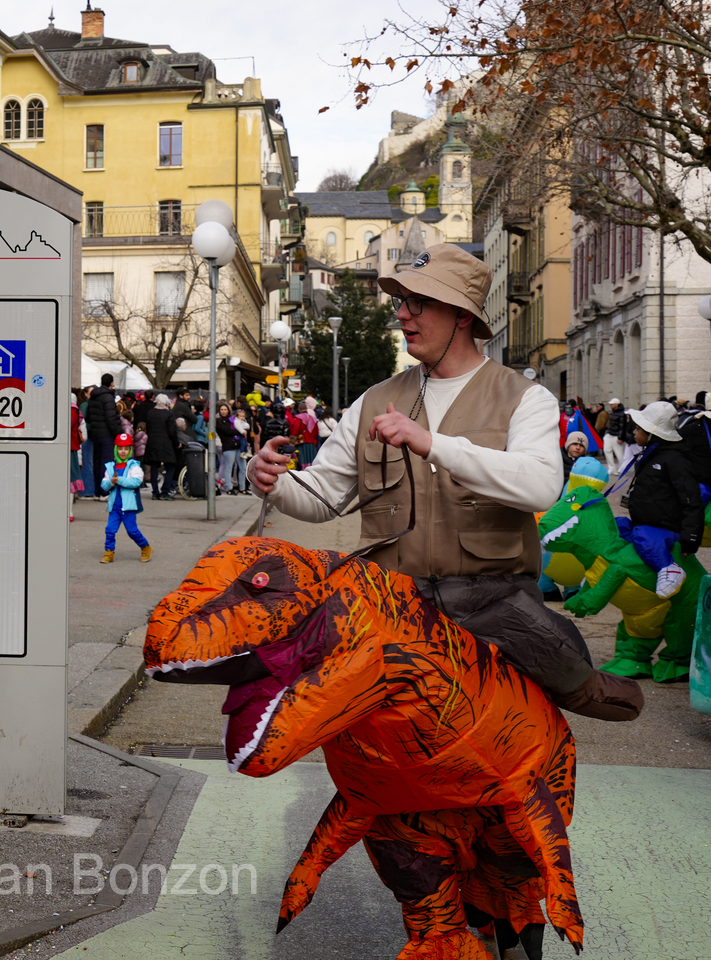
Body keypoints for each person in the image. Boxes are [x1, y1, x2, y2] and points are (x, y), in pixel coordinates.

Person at [249, 244, 640, 721]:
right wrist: (273, 481)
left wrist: (432, 443)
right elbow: (324, 497)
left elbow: (540, 486)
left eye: (417, 302)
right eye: (400, 301)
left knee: (550, 686)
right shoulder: (374, 399)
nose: (400, 314)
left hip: (493, 604)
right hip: (394, 604)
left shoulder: (525, 397)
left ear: (459, 314)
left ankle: (584, 689)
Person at [623, 400, 706, 599]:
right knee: (616, 526)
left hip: (664, 529)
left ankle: (669, 568)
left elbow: (692, 500)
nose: (634, 432)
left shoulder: (675, 459)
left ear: (652, 433)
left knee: (642, 535)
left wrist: (690, 540)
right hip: (646, 523)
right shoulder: (653, 454)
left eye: (638, 428)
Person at [100, 433, 152, 563]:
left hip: (128, 506)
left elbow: (136, 482)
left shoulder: (134, 466)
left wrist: (119, 480)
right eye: (120, 448)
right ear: (116, 449)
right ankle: (109, 552)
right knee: (110, 530)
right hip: (114, 506)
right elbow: (103, 485)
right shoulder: (110, 466)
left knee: (132, 531)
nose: (123, 452)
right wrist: (110, 482)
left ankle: (145, 547)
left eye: (126, 449)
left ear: (130, 450)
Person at [85, 374, 123, 497]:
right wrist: (118, 433)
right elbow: (111, 418)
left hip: (95, 434)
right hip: (107, 434)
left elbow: (89, 416)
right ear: (111, 383)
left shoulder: (93, 397)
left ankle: (96, 490)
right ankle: (104, 491)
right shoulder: (108, 397)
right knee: (106, 463)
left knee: (97, 462)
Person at [144, 393, 180, 499]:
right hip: (166, 444)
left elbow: (148, 427)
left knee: (154, 467)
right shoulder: (169, 414)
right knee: (170, 467)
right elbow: (172, 431)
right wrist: (177, 443)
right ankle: (165, 491)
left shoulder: (150, 413)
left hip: (153, 442)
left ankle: (155, 492)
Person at [215, 401, 246, 495]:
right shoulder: (218, 422)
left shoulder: (233, 419)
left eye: (225, 409)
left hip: (238, 446)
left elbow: (244, 426)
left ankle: (242, 488)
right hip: (228, 446)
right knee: (229, 468)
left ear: (229, 410)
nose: (223, 411)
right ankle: (229, 487)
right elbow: (226, 432)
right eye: (222, 410)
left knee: (243, 468)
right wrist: (240, 432)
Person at [602, 397, 629, 475]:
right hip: (610, 434)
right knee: (607, 450)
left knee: (619, 454)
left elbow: (622, 426)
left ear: (617, 404)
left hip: (616, 435)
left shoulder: (622, 414)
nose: (611, 405)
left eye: (612, 404)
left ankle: (622, 468)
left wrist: (620, 437)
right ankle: (612, 468)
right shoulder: (613, 412)